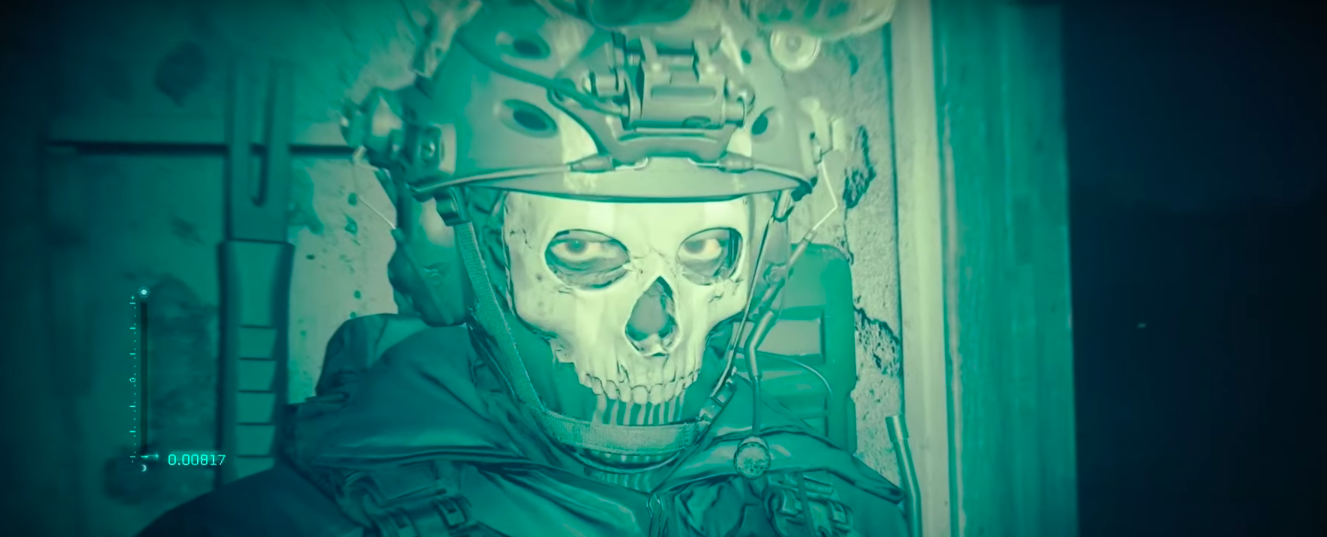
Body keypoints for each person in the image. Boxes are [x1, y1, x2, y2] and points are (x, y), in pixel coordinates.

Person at [139, 1, 908, 535]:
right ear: (461, 250)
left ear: (762, 258)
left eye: (705, 249)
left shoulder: (844, 511)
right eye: (584, 251)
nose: (656, 328)